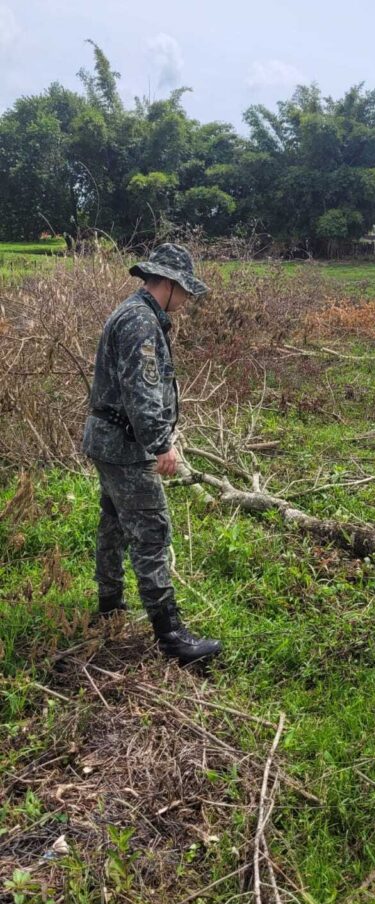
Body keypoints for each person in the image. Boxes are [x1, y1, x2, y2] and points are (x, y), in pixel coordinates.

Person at [82, 242, 222, 663]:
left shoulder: (133, 312)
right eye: (186, 291)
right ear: (169, 284)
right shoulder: (141, 323)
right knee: (152, 530)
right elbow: (141, 392)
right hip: (126, 446)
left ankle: (108, 606)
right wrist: (162, 444)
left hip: (108, 441)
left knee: (113, 523)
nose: (188, 299)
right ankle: (172, 636)